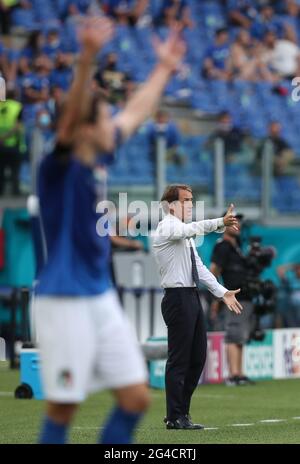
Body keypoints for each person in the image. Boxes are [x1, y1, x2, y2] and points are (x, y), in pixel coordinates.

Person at [34, 17, 186, 444]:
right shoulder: (58, 168)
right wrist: (86, 60)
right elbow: (69, 120)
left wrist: (163, 69)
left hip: (98, 294)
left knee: (136, 398)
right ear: (84, 128)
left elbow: (135, 113)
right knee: (63, 407)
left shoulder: (99, 156)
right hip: (64, 298)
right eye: (105, 117)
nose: (115, 124)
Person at [152, 185, 242, 430]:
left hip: (190, 297)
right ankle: (174, 416)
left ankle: (181, 413)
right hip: (176, 298)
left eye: (192, 200)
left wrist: (222, 292)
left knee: (197, 358)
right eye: (186, 200)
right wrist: (219, 223)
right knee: (179, 360)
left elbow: (200, 269)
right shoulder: (168, 226)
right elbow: (191, 229)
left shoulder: (182, 235)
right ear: (172, 205)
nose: (191, 204)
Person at [210, 212, 255, 386]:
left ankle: (239, 372)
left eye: (239, 222)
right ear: (224, 225)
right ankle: (233, 375)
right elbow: (214, 271)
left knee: (241, 335)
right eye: (233, 222)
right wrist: (218, 296)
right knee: (234, 334)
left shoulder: (237, 246)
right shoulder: (222, 246)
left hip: (244, 297)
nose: (238, 225)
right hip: (233, 297)